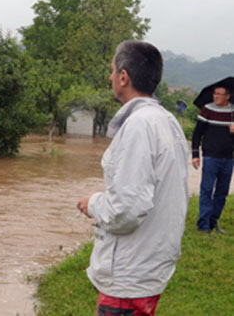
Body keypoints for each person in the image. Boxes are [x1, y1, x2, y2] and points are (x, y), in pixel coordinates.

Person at [77, 40, 189, 316]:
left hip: (130, 272)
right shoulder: (167, 121)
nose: (110, 77)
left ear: (124, 77)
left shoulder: (139, 126)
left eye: (113, 71)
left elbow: (125, 209)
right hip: (151, 263)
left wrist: (92, 203)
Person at [191, 85, 234, 234]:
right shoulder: (207, 109)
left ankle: (213, 221)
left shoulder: (232, 112)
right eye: (215, 94)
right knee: (207, 189)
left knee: (222, 192)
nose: (216, 97)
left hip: (228, 158)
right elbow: (197, 133)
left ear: (227, 96)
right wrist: (195, 154)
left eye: (220, 94)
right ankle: (203, 224)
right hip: (210, 156)